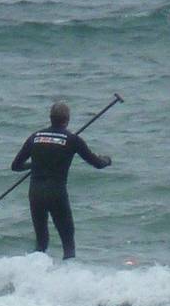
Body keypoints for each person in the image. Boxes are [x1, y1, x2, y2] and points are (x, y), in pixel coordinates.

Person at [10, 101, 111, 259]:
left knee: (41, 242)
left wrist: (35, 165)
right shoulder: (72, 140)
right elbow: (97, 163)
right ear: (67, 119)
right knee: (67, 241)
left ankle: (33, 273)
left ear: (50, 118)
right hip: (57, 194)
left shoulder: (35, 137)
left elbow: (15, 166)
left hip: (35, 194)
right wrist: (107, 160)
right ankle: (68, 277)